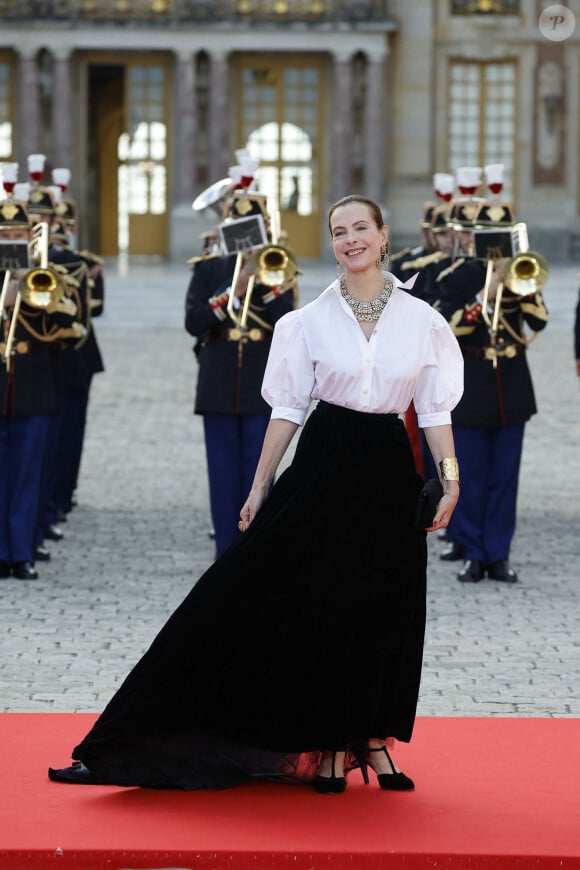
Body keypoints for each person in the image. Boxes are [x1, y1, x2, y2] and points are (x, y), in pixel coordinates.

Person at [48, 194, 463, 794]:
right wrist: (260, 483)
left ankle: (370, 740)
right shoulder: (308, 320)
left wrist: (449, 477)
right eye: (338, 231)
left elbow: (434, 408)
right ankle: (303, 742)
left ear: (382, 235)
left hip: (389, 475)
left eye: (360, 229)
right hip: (323, 466)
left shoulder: (422, 319)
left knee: (380, 607)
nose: (350, 240)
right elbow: (288, 409)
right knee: (275, 598)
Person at [438, 200, 549, 584]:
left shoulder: (521, 276)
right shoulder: (458, 274)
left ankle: (498, 554)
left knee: (504, 479)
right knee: (470, 475)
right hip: (471, 390)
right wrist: (489, 287)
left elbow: (540, 320)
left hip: (512, 390)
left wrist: (522, 286)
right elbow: (451, 325)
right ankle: (472, 552)